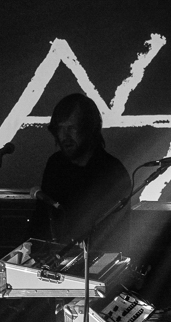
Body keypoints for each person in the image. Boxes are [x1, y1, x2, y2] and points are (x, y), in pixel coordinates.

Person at [28, 93, 130, 248]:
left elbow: (117, 235)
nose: (64, 136)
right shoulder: (55, 164)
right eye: (60, 128)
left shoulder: (112, 172)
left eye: (72, 128)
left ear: (89, 129)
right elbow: (41, 219)